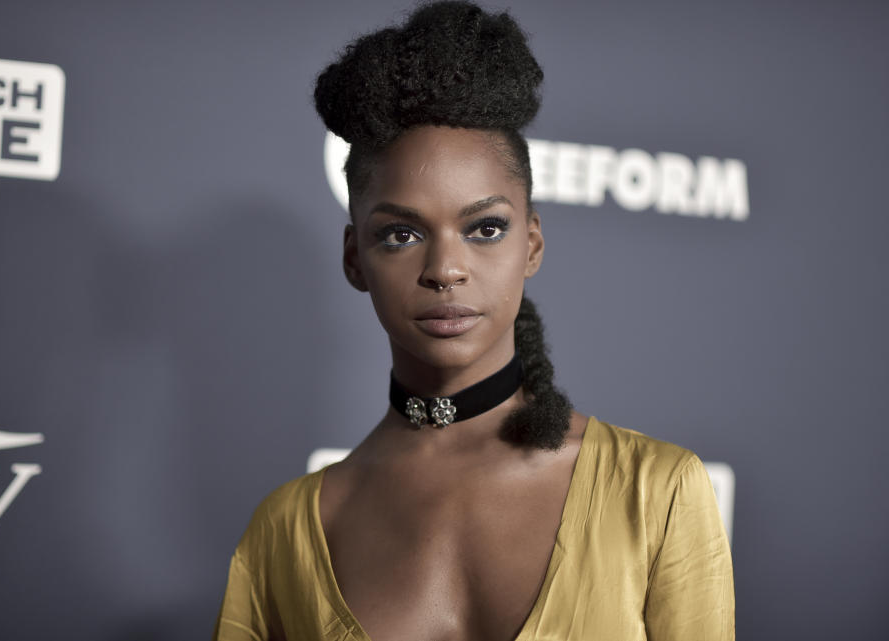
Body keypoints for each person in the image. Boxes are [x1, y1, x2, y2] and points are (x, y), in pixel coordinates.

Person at [213, 2, 735, 639]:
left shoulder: (656, 493)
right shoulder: (285, 534)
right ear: (355, 259)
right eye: (402, 234)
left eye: (485, 228)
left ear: (532, 245)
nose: (446, 269)